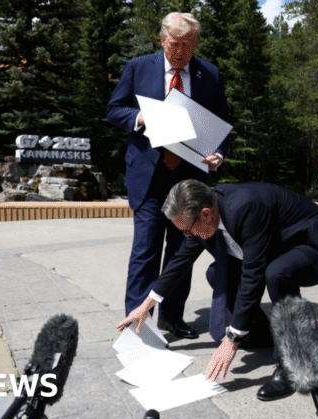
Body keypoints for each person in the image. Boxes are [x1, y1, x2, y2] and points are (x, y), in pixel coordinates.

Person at [117, 180, 318, 401]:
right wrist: (146, 305)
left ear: (206, 214)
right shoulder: (202, 215)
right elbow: (180, 261)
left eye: (188, 230)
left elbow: (253, 275)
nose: (187, 236)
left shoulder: (246, 208)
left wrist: (231, 339)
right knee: (216, 273)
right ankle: (260, 334)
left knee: (277, 273)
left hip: (312, 242)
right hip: (276, 246)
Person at [106, 12, 230, 339]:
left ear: (196, 43)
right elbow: (114, 109)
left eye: (188, 44)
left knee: (180, 252)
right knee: (145, 252)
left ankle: (171, 318)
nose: (180, 52)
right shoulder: (138, 67)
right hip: (149, 176)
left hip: (189, 180)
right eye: (175, 44)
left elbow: (222, 124)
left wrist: (218, 153)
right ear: (162, 40)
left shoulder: (209, 74)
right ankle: (139, 327)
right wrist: (140, 117)